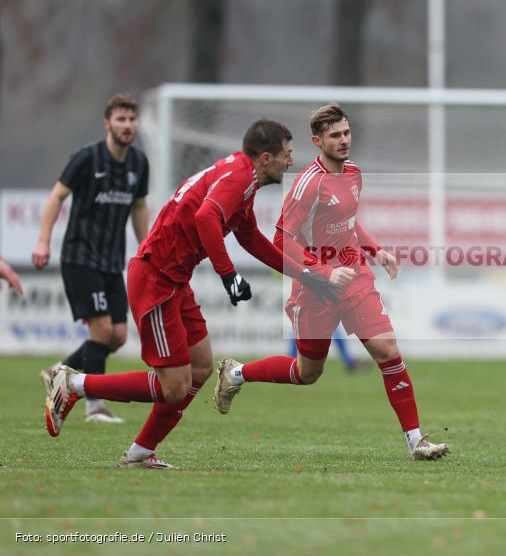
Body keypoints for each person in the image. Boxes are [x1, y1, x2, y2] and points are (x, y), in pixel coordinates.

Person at [43, 119, 335, 468]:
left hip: (174, 281)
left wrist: (303, 273)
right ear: (266, 157)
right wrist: (228, 275)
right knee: (173, 387)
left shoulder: (243, 178)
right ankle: (74, 383)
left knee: (200, 366)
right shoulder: (239, 177)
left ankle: (141, 453)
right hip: (155, 278)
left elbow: (250, 237)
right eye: (287, 155)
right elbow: (205, 217)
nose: (291, 162)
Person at [213, 103, 450, 461]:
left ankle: (416, 441)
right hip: (315, 288)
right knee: (307, 372)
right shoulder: (308, 184)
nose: (344, 141)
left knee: (388, 351)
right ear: (317, 141)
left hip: (355, 277)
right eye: (335, 135)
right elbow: (282, 240)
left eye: (347, 133)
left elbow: (349, 222)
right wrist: (323, 273)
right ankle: (237, 373)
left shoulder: (354, 173)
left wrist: (376, 250)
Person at [33, 94, 150, 424]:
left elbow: (139, 208)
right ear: (107, 123)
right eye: (121, 119)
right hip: (80, 256)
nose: (127, 125)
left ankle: (58, 372)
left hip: (112, 262)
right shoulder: (86, 159)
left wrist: (147, 249)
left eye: (131, 119)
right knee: (101, 332)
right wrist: (43, 241)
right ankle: (93, 406)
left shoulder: (139, 163)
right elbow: (57, 196)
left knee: (118, 336)